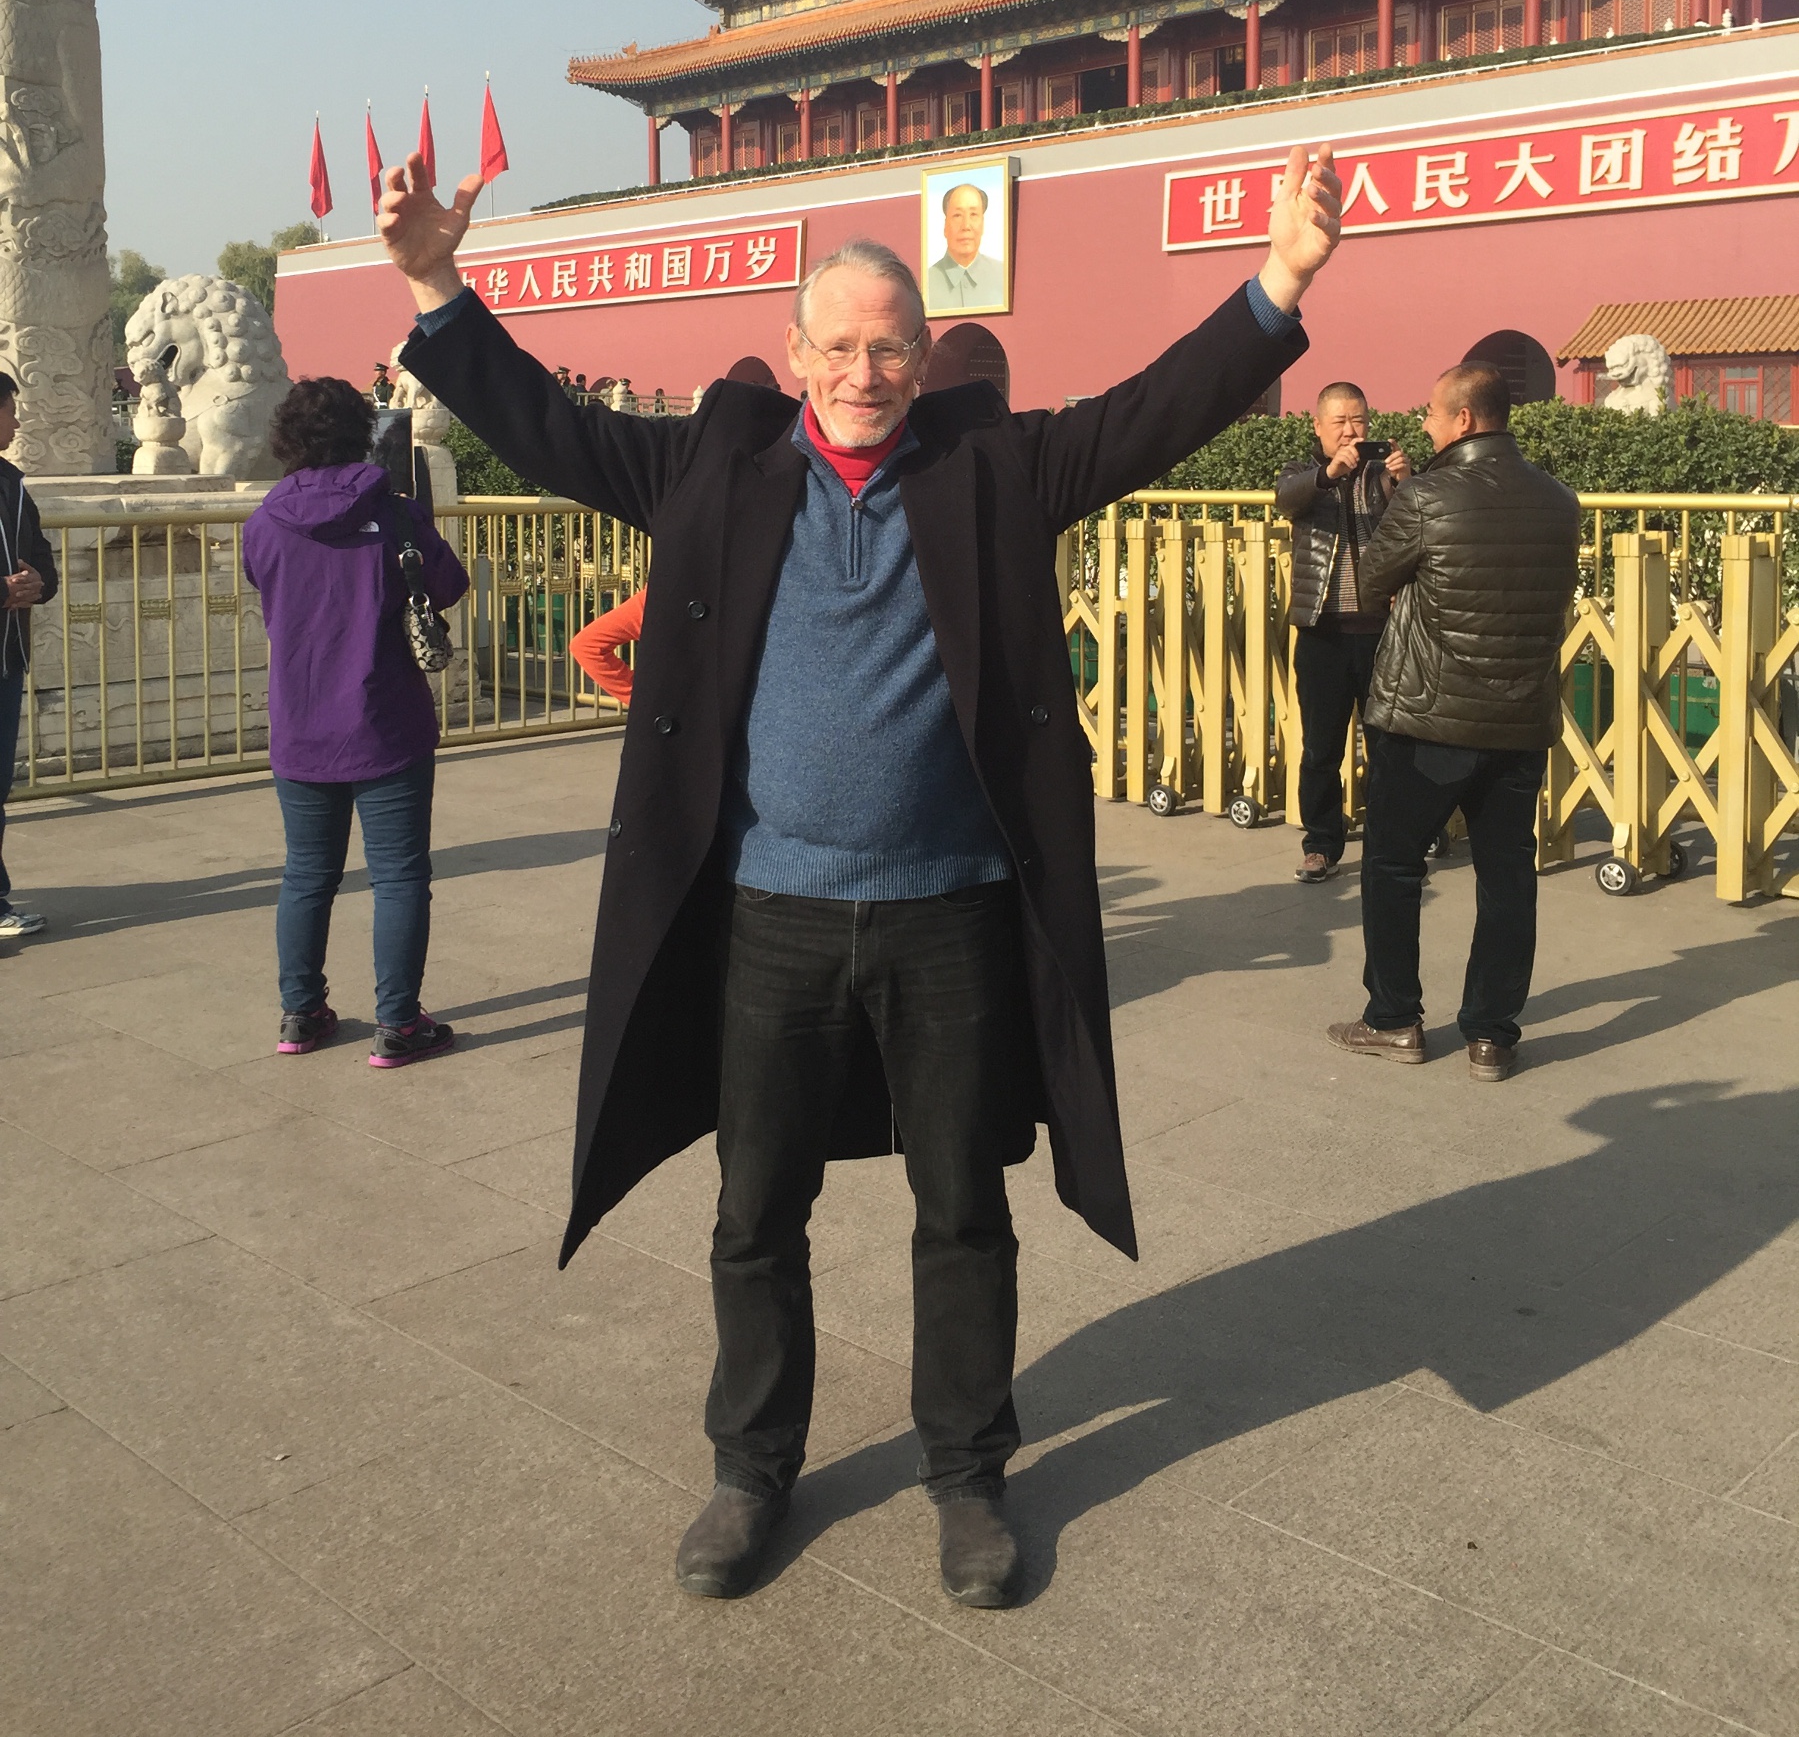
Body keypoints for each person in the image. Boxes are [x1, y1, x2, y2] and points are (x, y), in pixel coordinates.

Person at [380, 136, 1339, 1608]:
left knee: (963, 1203)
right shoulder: (716, 467)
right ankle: (749, 1466)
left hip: (948, 909)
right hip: (768, 915)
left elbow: (1151, 414)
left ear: (919, 354)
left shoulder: (988, 468)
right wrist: (442, 287)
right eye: (837, 346)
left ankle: (967, 1473)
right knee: (752, 1204)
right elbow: (549, 430)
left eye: (889, 346)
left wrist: (1275, 282)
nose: (864, 371)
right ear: (794, 351)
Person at [1327, 361, 1579, 1083]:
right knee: (1506, 875)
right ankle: (1492, 1035)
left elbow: (1371, 581)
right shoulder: (1559, 500)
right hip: (1518, 717)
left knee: (1392, 863)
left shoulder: (1428, 498)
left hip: (1426, 714)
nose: (1425, 426)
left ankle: (1394, 1018)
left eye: (1434, 414)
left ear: (1464, 419)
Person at [242, 377, 470, 1067]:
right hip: (386, 719)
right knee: (398, 875)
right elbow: (449, 585)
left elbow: (266, 590)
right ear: (363, 431)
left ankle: (300, 1012)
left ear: (285, 437)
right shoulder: (396, 515)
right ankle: (398, 1023)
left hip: (301, 722)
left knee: (307, 874)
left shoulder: (264, 521)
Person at [1275, 384, 1410, 882]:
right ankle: (1322, 843)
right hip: (1323, 632)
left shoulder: (1383, 474)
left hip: (1383, 631)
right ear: (1319, 427)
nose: (1351, 431)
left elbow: (1410, 523)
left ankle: (1388, 841)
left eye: (1359, 420)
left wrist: (1404, 482)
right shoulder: (1301, 474)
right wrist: (1329, 475)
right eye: (1340, 422)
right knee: (1321, 746)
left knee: (1388, 743)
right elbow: (1288, 501)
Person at [0, 372, 58, 943]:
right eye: (10, 409)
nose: (16, 421)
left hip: (8, 656)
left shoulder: (13, 485)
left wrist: (40, 581)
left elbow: (42, 556)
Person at [926, 181, 1006, 314]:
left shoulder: (1003, 276)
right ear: (945, 226)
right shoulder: (926, 283)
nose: (966, 226)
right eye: (957, 215)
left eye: (973, 215)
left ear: (983, 224)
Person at [572, 588, 645, 706]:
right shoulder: (656, 598)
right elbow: (587, 646)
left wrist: (642, 696)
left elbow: (587, 646)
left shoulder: (656, 598)